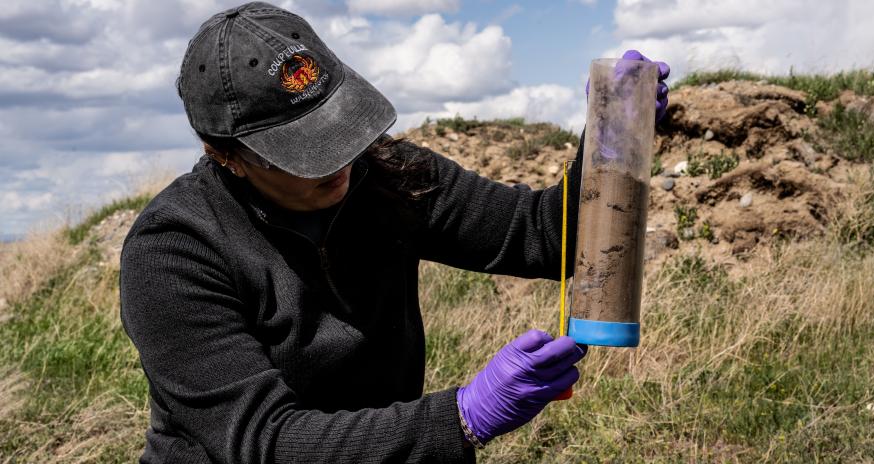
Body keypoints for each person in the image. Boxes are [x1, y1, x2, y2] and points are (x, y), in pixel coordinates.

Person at [119, 2, 670, 463]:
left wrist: (609, 145)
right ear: (226, 155)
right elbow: (267, 441)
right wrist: (461, 416)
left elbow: (542, 236)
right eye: (302, 151)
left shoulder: (392, 177)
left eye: (337, 125)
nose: (339, 161)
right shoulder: (174, 252)